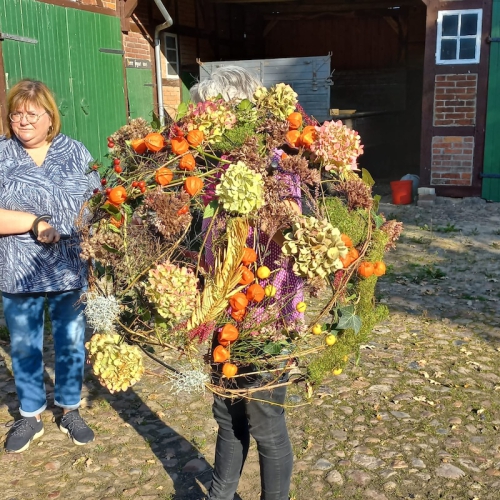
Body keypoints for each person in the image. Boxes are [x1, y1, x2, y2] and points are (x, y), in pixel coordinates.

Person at [191, 66, 301, 500]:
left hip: (266, 311)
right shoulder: (215, 163)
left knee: (266, 422)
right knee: (226, 410)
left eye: (211, 112)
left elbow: (288, 236)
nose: (204, 121)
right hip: (225, 306)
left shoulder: (277, 166)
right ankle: (220, 495)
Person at [0, 79, 100, 453]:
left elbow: (100, 202)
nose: (22, 121)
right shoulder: (2, 154)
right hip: (18, 268)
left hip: (69, 266)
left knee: (71, 341)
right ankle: (29, 415)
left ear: (49, 117)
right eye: (16, 114)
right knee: (24, 345)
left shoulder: (75, 152)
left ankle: (70, 409)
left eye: (31, 113)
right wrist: (32, 222)